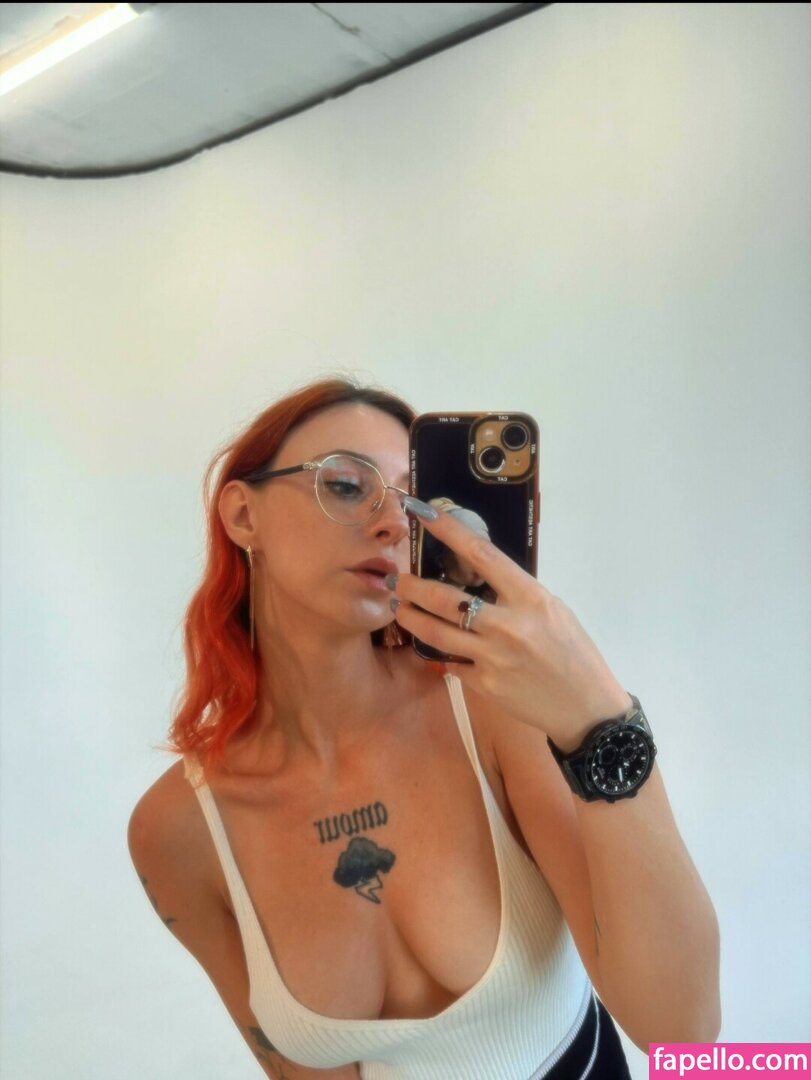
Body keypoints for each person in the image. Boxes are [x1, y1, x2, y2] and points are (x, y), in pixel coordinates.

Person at [127, 376, 720, 1079]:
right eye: (347, 485)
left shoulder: (490, 710)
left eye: (415, 502)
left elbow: (681, 1031)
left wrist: (597, 715)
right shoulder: (176, 831)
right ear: (242, 514)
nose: (392, 523)